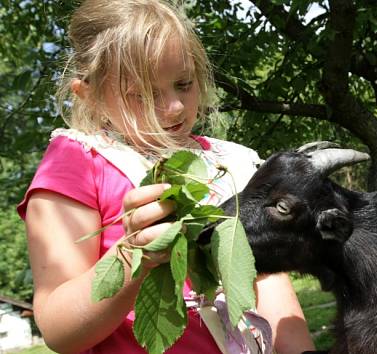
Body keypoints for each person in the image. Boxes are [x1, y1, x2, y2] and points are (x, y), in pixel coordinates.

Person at [16, 1, 315, 353]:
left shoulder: (227, 164)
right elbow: (58, 329)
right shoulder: (77, 162)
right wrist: (132, 257)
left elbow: (268, 284)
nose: (173, 106)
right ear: (90, 95)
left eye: (183, 84)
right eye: (142, 94)